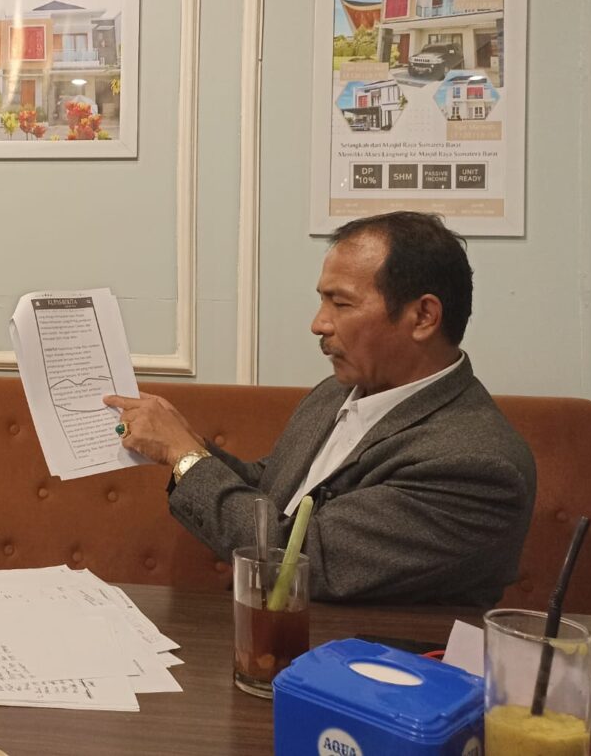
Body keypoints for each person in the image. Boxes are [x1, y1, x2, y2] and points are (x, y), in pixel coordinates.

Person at [104, 212, 535, 606]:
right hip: (267, 639)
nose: (318, 323)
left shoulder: (476, 465)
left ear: (423, 316)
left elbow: (301, 560)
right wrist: (186, 443)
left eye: (341, 303)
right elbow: (271, 490)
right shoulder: (337, 392)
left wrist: (185, 456)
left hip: (360, 659)